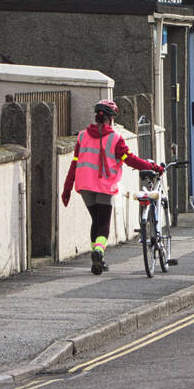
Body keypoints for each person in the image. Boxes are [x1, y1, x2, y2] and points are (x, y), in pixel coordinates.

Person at [60, 100, 164, 275]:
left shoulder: (82, 136)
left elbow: (74, 163)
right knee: (104, 222)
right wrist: (153, 167)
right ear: (110, 118)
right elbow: (131, 160)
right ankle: (99, 251)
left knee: (96, 221)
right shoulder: (115, 139)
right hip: (103, 185)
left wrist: (67, 188)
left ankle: (98, 259)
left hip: (84, 185)